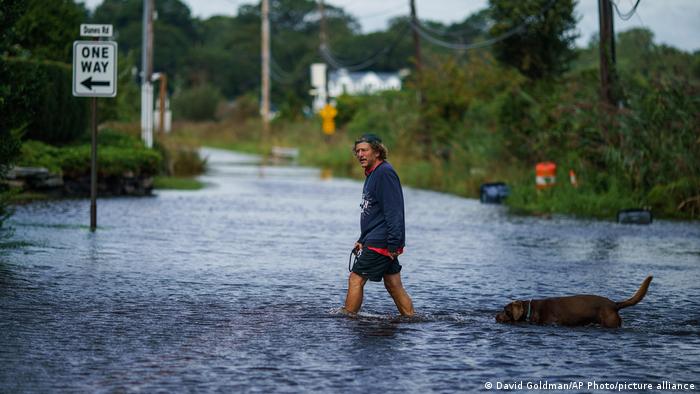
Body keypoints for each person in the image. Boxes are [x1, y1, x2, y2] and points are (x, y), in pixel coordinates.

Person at [342, 133, 414, 317]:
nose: (360, 154)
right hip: (376, 238)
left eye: (364, 150)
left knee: (356, 279)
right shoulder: (372, 174)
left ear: (377, 152)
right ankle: (411, 320)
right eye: (357, 151)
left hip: (382, 241)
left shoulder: (385, 173)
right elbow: (374, 213)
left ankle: (347, 321)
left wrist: (395, 243)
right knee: (393, 284)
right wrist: (362, 239)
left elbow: (394, 211)